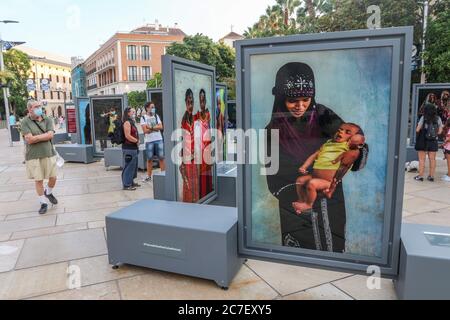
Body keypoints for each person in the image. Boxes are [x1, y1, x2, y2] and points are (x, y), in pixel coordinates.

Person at [265, 62, 367, 252]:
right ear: (280, 99)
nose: (300, 106)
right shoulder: (271, 132)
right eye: (292, 100)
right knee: (301, 263)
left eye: (306, 99)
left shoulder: (323, 116)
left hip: (331, 204)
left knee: (333, 253)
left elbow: (352, 139)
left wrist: (355, 153)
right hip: (295, 210)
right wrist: (305, 195)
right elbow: (273, 181)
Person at [293, 124, 365, 214]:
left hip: (328, 181)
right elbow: (315, 155)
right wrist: (304, 166)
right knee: (300, 180)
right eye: (340, 130)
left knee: (312, 184)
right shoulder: (328, 143)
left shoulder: (348, 146)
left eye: (347, 132)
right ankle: (302, 201)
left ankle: (308, 205)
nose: (341, 132)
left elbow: (354, 153)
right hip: (315, 176)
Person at [20, 100, 58, 215]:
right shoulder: (25, 122)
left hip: (48, 152)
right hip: (34, 155)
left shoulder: (48, 119)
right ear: (30, 109)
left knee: (53, 177)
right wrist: (44, 136)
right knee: (39, 180)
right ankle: (43, 203)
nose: (39, 108)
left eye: (40, 106)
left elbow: (51, 135)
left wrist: (36, 137)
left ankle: (48, 192)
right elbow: (29, 139)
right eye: (36, 107)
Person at [414, 103, 444, 182]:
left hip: (423, 140)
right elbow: (440, 131)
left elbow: (417, 129)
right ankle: (431, 176)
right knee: (432, 159)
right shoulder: (438, 119)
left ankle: (420, 176)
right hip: (433, 141)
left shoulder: (423, 118)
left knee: (422, 159)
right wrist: (433, 134)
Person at [180, 89, 199, 203]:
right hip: (187, 157)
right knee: (187, 184)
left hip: (196, 156)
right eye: (188, 102)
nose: (190, 105)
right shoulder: (184, 120)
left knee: (195, 182)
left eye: (191, 102)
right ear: (185, 103)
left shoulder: (196, 118)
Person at [194, 89, 213, 199]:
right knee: (201, 171)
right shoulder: (196, 115)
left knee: (207, 170)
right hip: (200, 146)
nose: (202, 103)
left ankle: (208, 190)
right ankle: (202, 192)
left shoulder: (207, 113)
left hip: (207, 144)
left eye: (204, 100)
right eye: (201, 100)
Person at [140, 101, 165, 183]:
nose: (153, 108)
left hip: (159, 139)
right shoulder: (143, 118)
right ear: (147, 108)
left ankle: (163, 174)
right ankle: (149, 176)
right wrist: (155, 128)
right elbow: (145, 130)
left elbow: (161, 127)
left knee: (161, 158)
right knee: (149, 159)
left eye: (154, 107)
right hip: (149, 141)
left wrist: (150, 127)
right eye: (152, 107)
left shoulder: (156, 116)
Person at [121, 107, 141, 191]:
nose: (134, 113)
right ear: (128, 113)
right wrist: (136, 140)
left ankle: (131, 181)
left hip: (133, 148)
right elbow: (127, 136)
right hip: (129, 148)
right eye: (132, 111)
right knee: (129, 166)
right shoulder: (126, 123)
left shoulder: (131, 122)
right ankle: (126, 184)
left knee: (133, 166)